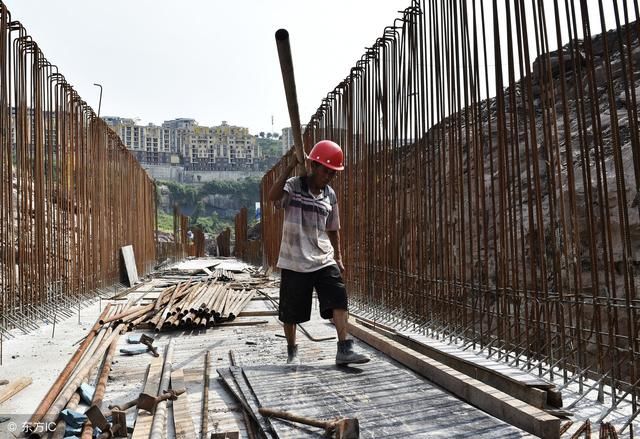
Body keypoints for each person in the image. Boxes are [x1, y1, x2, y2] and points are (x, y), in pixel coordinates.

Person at [268, 139, 370, 365]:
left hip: (322, 258)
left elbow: (333, 229)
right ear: (314, 165)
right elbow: (273, 197)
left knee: (339, 297)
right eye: (326, 171)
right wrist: (289, 166)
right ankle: (292, 351)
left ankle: (344, 349)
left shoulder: (330, 195)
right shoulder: (294, 186)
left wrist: (338, 257)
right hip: (294, 259)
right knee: (291, 312)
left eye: (333, 173)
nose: (329, 176)